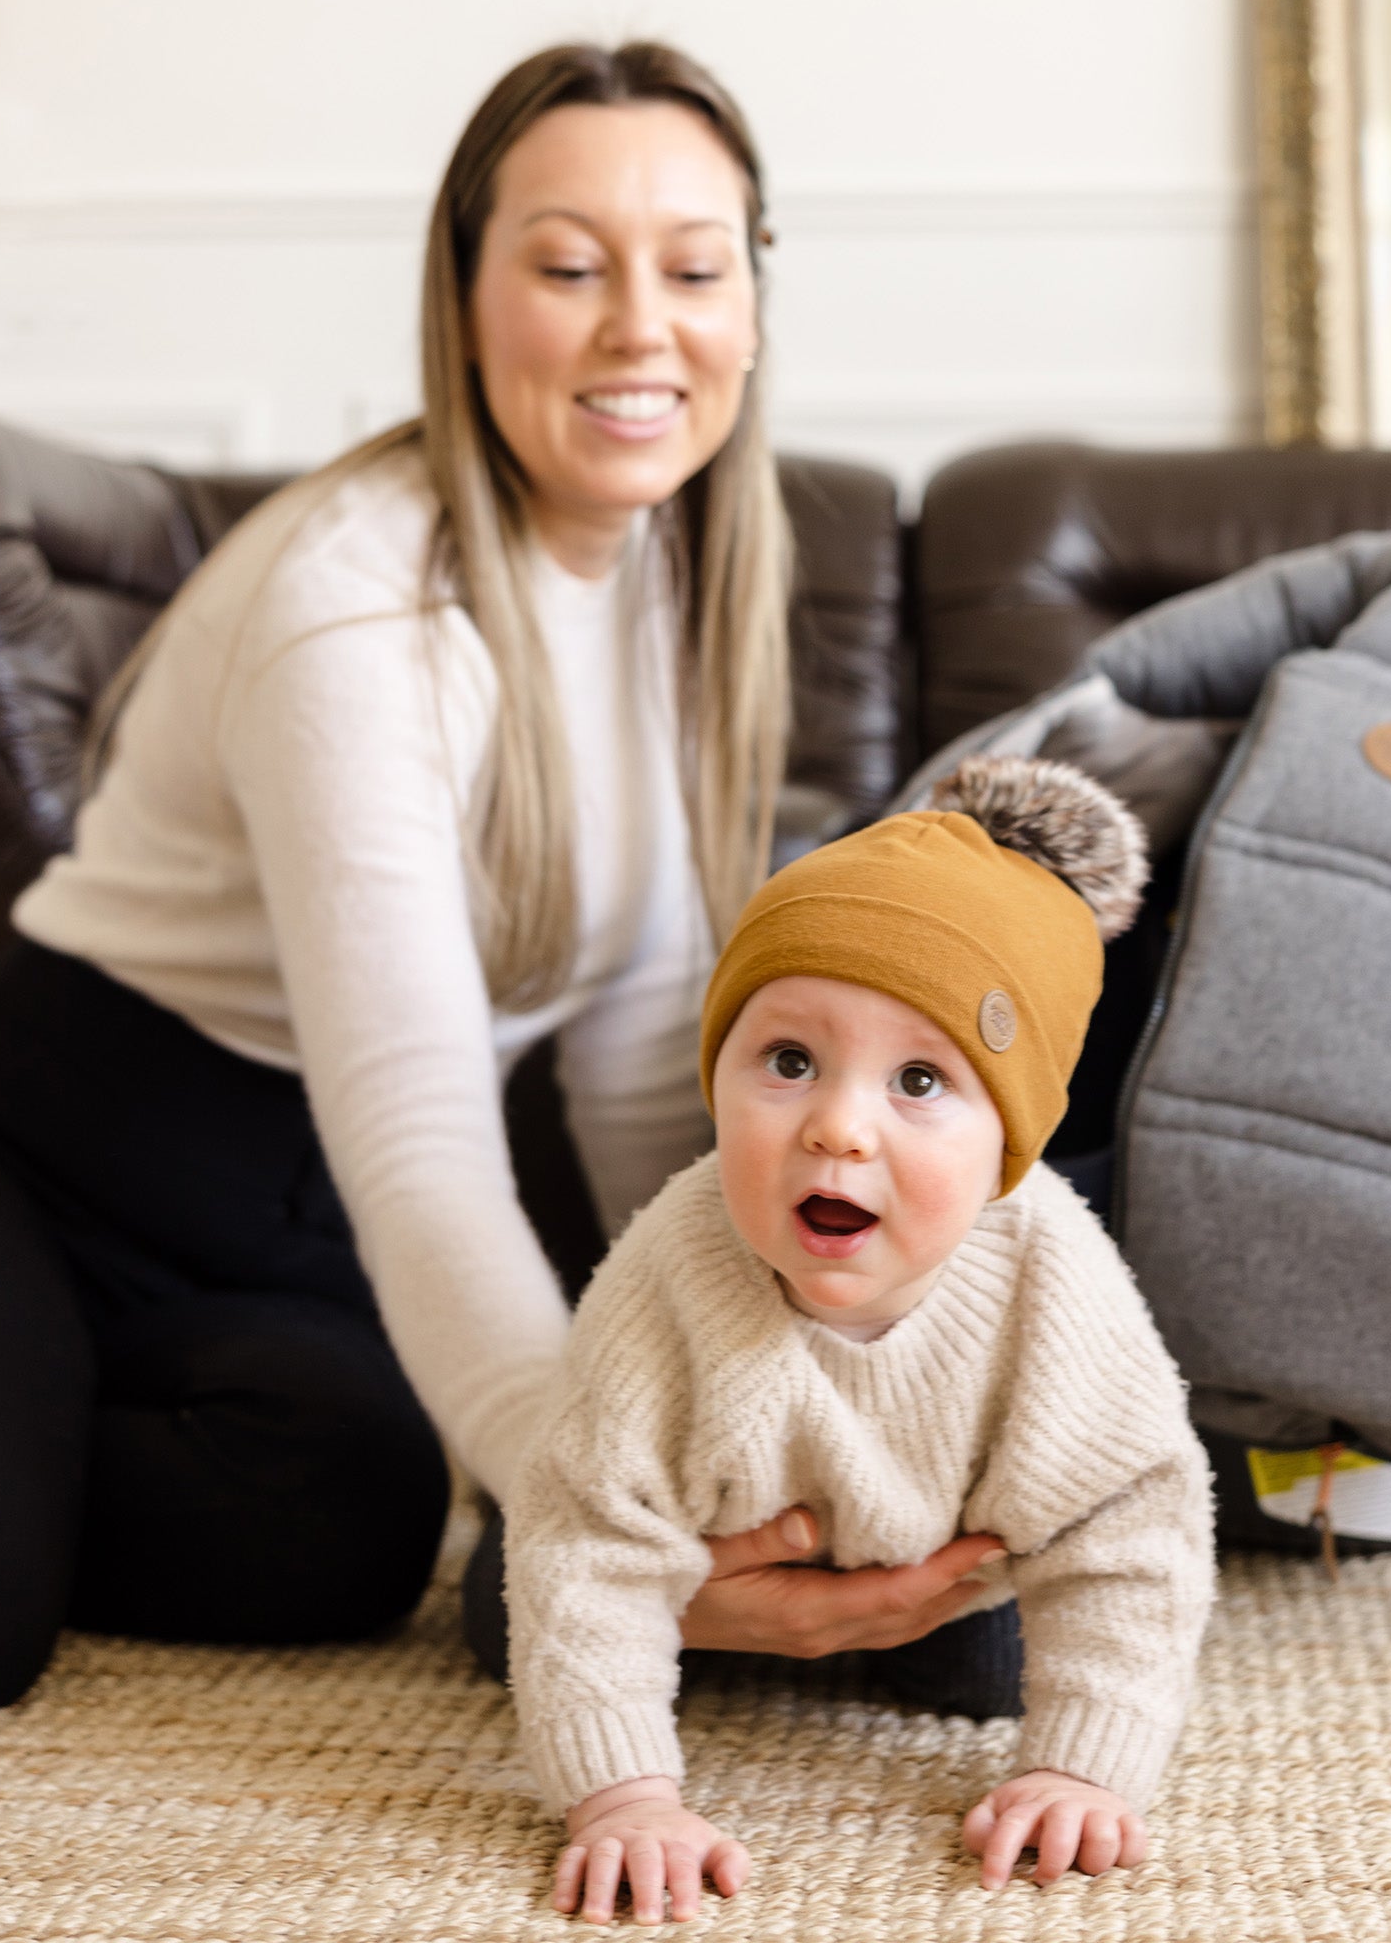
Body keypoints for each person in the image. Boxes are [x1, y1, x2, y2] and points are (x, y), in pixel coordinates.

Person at [0, 41, 1006, 1721]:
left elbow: (634, 1076)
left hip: (276, 1224)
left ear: (749, 305)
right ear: (468, 298)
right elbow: (416, 1142)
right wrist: (618, 1547)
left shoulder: (677, 578)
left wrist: (774, 1412)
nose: (641, 326)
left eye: (693, 268)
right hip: (25, 1149)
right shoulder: (356, 610)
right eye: (567, 266)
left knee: (349, 1525)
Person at [504, 756, 1217, 1926]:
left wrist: (1082, 1766)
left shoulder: (1053, 1268)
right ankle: (700, 1668)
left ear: (1007, 1146)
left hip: (946, 1552)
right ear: (718, 1076)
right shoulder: (668, 1266)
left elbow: (1130, 1514)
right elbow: (588, 1539)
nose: (837, 1125)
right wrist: (621, 1799)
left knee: (993, 1667)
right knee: (518, 1611)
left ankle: (926, 1653)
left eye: (921, 1078)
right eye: (788, 1061)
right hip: (708, 1552)